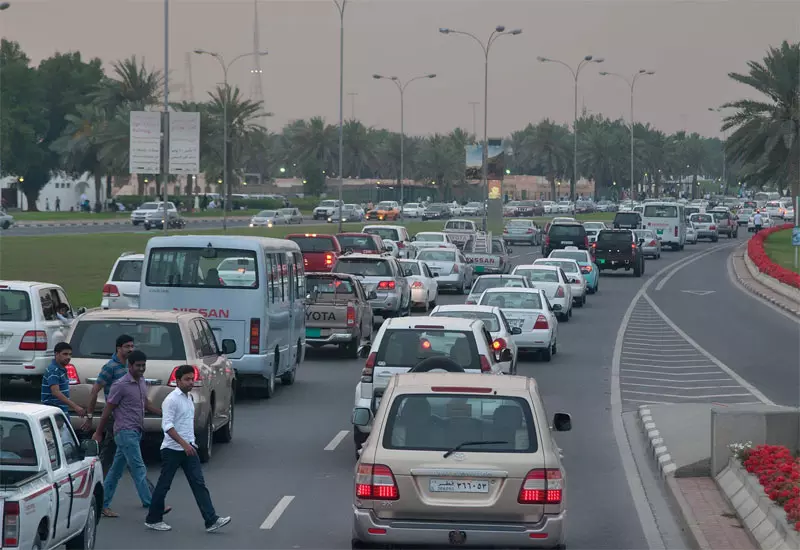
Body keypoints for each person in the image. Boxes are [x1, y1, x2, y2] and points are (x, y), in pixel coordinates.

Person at [145, 365, 231, 533]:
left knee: (198, 483)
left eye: (192, 379)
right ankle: (153, 519)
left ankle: (211, 520)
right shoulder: (171, 400)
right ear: (178, 381)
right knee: (164, 485)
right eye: (187, 379)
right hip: (172, 450)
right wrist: (183, 443)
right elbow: (167, 426)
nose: (191, 382)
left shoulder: (189, 398)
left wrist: (190, 443)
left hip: (188, 449)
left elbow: (186, 423)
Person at [92, 350, 168, 518]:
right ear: (130, 366)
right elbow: (108, 409)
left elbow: (145, 404)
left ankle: (102, 504)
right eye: (138, 366)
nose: (141, 369)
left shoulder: (141, 382)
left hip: (136, 430)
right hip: (124, 432)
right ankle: (154, 504)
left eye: (143, 365)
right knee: (139, 468)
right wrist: (98, 432)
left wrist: (163, 413)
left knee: (115, 471)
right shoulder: (120, 385)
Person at [82, 334, 135, 476]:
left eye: (132, 346)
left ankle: (104, 480)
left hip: (127, 416)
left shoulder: (130, 366)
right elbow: (94, 392)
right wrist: (90, 416)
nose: (130, 349)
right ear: (119, 348)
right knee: (111, 452)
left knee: (119, 452)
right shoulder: (110, 367)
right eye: (127, 346)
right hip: (113, 416)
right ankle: (98, 480)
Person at [41, 342, 86, 418]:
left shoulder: (61, 369)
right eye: (65, 354)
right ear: (56, 354)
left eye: (70, 354)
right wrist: (75, 407)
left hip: (61, 411)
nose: (68, 357)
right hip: (54, 413)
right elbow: (55, 392)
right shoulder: (53, 370)